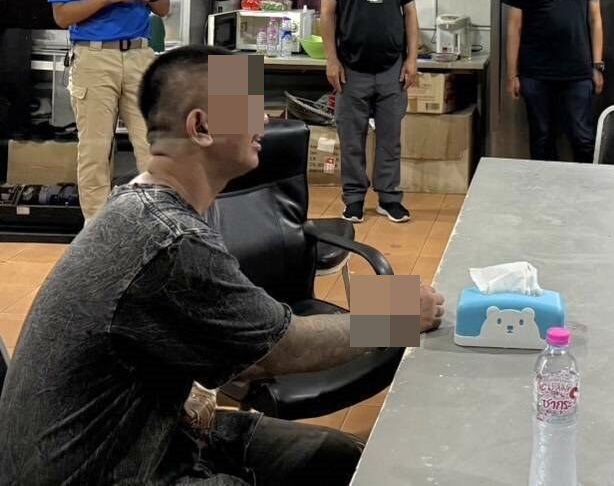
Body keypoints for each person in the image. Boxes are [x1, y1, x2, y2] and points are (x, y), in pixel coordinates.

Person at [0, 46, 447, 485]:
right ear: (201, 127)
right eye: (250, 107)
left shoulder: (142, 204)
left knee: (337, 456)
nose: (265, 119)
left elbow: (242, 349)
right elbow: (282, 347)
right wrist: (401, 313)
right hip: (110, 469)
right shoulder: (170, 240)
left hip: (152, 435)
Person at [48, 0, 171, 220]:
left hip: (139, 55)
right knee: (95, 150)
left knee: (152, 144)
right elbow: (62, 16)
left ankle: (157, 224)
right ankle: (97, 232)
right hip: (93, 57)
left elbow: (164, 8)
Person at [319, 0, 421, 224]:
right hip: (351, 69)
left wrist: (412, 59)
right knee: (352, 140)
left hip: (392, 69)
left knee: (390, 139)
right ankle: (354, 199)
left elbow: (411, 14)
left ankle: (389, 198)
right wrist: (331, 60)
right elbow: (327, 15)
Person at [503, 0, 605, 163]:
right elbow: (514, 27)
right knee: (542, 137)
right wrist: (512, 75)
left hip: (578, 71)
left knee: (583, 137)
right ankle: (543, 188)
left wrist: (597, 65)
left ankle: (586, 186)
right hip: (535, 73)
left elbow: (595, 19)